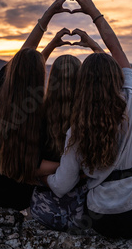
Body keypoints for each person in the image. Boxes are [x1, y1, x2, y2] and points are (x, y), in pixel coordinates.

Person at [45, 0, 132, 248]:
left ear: (83, 84)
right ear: (116, 79)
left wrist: (42, 175)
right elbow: (116, 50)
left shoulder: (76, 128)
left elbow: (62, 186)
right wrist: (93, 14)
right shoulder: (131, 98)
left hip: (102, 218)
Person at [0, 0, 72, 210]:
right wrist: (72, 167)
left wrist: (48, 18)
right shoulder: (37, 113)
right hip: (18, 196)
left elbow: (24, 59)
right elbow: (35, 165)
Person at [31, 30, 104, 231]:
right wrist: (93, 45)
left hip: (44, 209)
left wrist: (44, 173)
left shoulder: (37, 115)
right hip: (83, 209)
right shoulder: (91, 117)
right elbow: (114, 76)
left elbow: (24, 72)